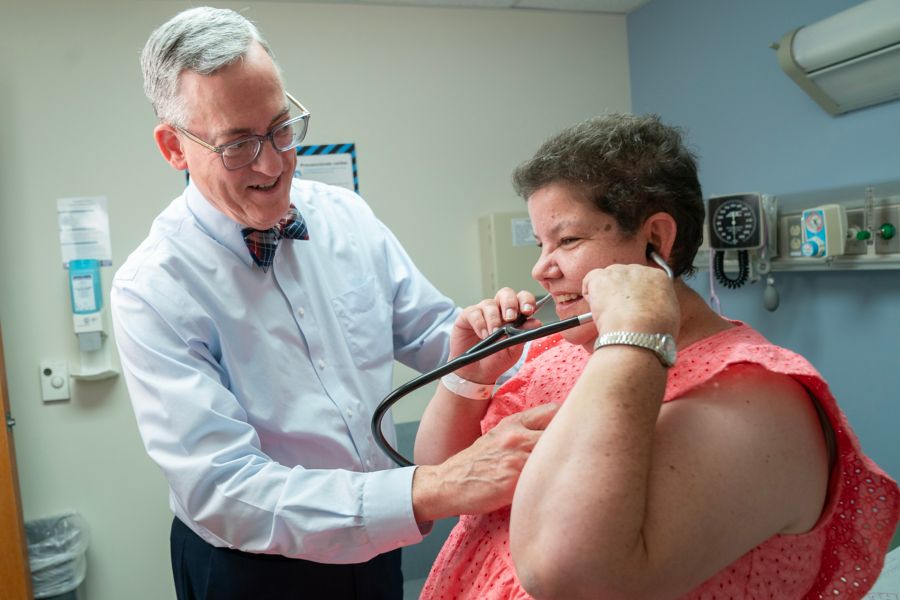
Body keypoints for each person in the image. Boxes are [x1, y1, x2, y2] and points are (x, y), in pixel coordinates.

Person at [111, 7, 558, 599]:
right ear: (174, 147)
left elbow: (435, 334)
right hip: (253, 566)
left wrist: (525, 352)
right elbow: (223, 489)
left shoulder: (345, 217)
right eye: (238, 145)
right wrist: (437, 487)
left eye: (280, 127)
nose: (273, 165)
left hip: (375, 546)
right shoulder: (152, 287)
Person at [415, 113, 900, 599]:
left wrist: (633, 335)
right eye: (541, 243)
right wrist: (469, 379)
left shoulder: (758, 396)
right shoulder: (563, 350)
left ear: (656, 240)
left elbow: (570, 577)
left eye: (567, 240)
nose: (541, 268)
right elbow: (449, 483)